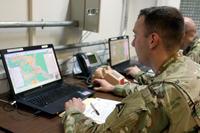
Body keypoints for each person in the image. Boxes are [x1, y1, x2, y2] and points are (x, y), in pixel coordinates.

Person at [62, 6, 200, 132]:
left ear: (153, 40)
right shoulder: (189, 66)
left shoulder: (151, 99)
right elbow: (157, 89)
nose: (133, 43)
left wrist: (73, 113)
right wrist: (113, 88)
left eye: (135, 35)